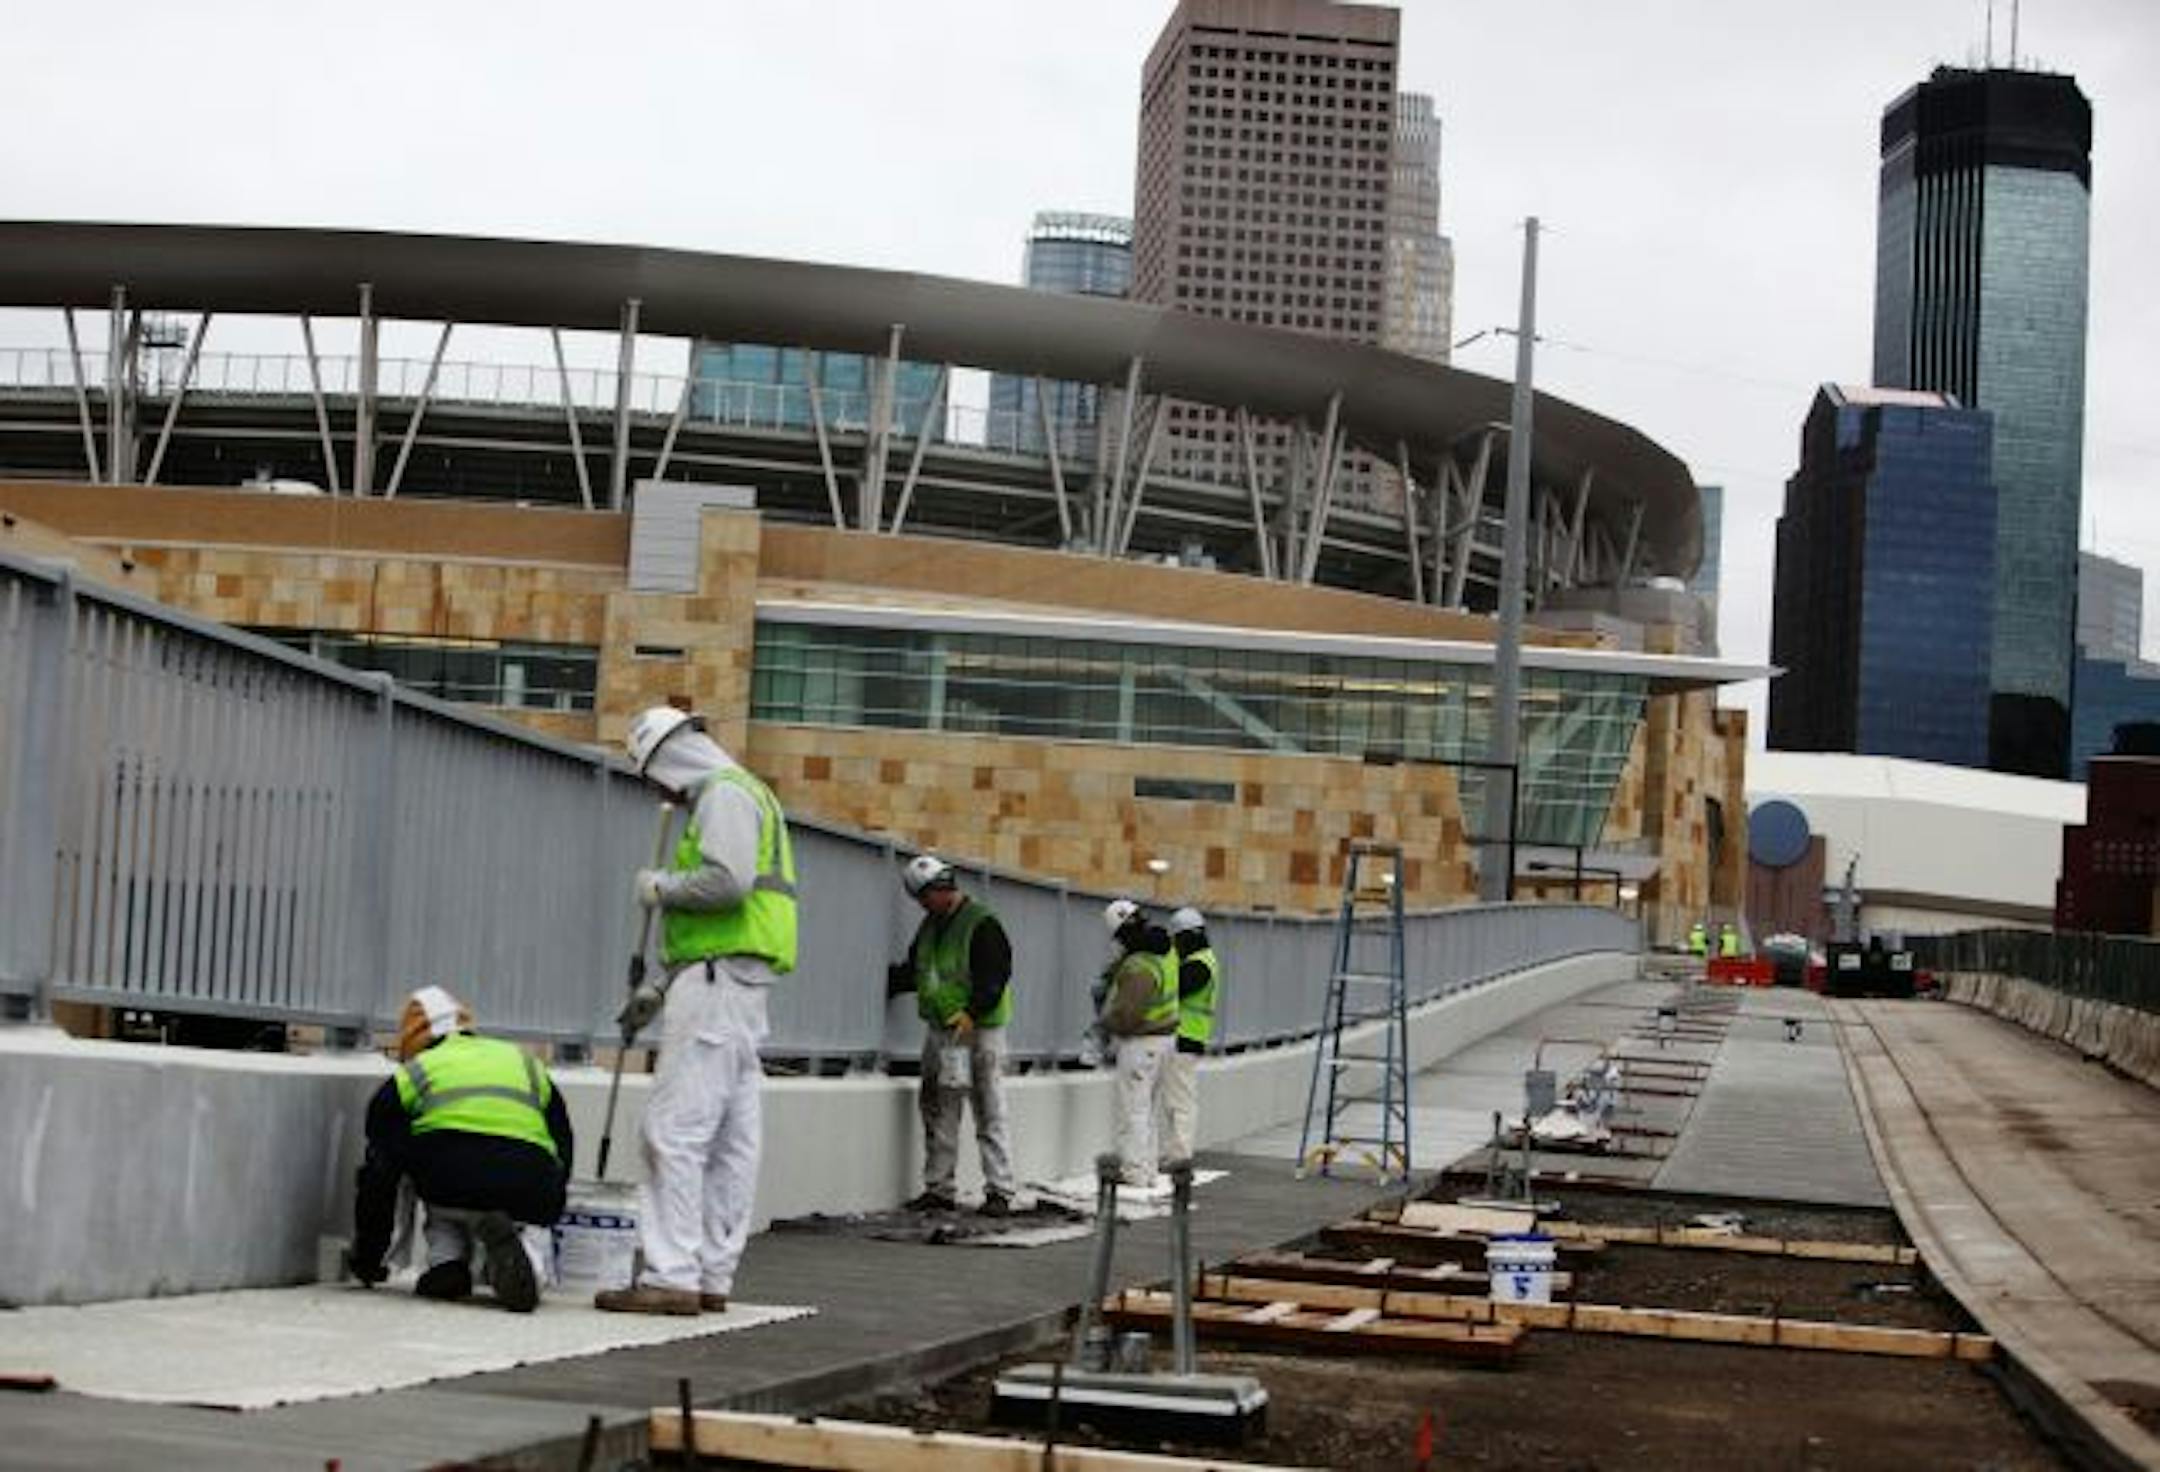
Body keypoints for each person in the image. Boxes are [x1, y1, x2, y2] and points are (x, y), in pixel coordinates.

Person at [597, 705, 797, 1316]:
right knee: (732, 1139)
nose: (658, 792)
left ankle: (671, 1274)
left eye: (651, 775)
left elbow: (726, 884)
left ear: (667, 759)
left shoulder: (722, 796)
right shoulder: (747, 793)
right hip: (730, 981)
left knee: (672, 1132)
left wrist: (661, 887)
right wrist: (662, 984)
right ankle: (711, 1273)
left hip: (716, 985)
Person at [346, 985, 571, 1313]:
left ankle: (446, 1263)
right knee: (523, 1223)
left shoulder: (418, 1071)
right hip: (528, 1183)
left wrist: (368, 1257)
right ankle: (530, 1267)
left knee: (429, 1175)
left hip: (450, 1183)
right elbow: (563, 1139)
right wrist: (550, 1201)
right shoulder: (522, 1060)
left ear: (413, 1040)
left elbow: (380, 1172)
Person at [886, 854, 1018, 1216]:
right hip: (944, 1030)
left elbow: (996, 973)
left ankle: (1000, 1190)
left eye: (925, 898)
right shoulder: (930, 927)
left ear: (939, 890)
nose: (923, 906)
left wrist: (973, 1011)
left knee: (987, 1107)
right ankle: (939, 1187)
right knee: (939, 1106)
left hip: (977, 1030)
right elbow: (917, 971)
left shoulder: (981, 924)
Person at [1099, 899, 1178, 1188]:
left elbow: (1127, 1014)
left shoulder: (1138, 965)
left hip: (1140, 1043)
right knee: (1148, 1111)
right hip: (1166, 1040)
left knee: (1133, 1110)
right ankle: (1148, 1170)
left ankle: (1133, 1172)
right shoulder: (1166, 951)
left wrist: (1106, 1024)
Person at [1157, 905, 1220, 1169]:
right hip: (1186, 1038)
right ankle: (1174, 1152)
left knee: (1180, 1102)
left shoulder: (1198, 965)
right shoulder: (1205, 959)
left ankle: (1180, 1155)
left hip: (1184, 1037)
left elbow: (1174, 989)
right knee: (1176, 1100)